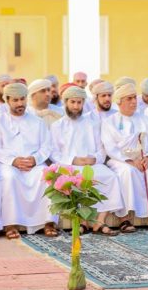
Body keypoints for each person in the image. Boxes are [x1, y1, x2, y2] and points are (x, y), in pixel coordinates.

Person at [50, 86, 125, 236]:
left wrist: (94, 158)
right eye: (72, 102)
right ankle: (82, 223)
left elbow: (102, 149)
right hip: (69, 165)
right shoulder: (57, 126)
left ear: (83, 103)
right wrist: (73, 160)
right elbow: (53, 152)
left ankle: (100, 222)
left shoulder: (93, 123)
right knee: (77, 179)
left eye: (79, 102)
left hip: (93, 164)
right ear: (65, 102)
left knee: (110, 177)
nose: (76, 106)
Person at [101, 83, 148, 232]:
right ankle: (125, 219)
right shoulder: (109, 122)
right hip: (121, 161)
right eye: (129, 98)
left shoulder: (145, 119)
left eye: (134, 97)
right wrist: (131, 161)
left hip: (145, 159)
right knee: (127, 172)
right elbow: (110, 148)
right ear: (119, 102)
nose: (134, 101)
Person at [0, 83, 58, 238]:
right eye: (15, 100)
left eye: (22, 99)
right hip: (6, 163)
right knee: (9, 177)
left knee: (46, 176)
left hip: (33, 163)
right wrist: (13, 161)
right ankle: (10, 224)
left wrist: (35, 159)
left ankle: (48, 222)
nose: (20, 103)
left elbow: (47, 146)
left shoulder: (37, 122)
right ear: (7, 100)